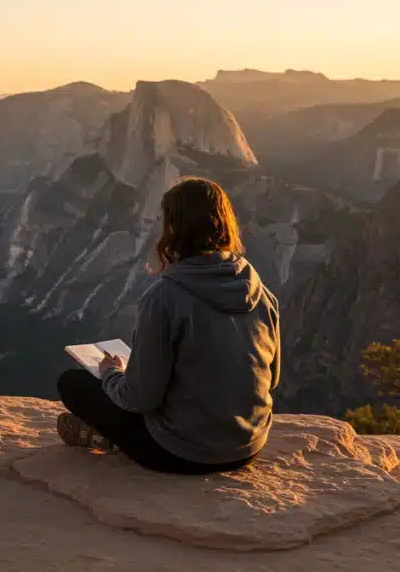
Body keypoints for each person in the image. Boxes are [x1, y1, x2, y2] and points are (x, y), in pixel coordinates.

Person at [56, 177, 280, 474]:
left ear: (172, 229)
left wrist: (111, 374)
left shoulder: (165, 296)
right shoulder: (261, 293)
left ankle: (109, 439)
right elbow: (272, 378)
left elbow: (139, 399)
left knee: (73, 384)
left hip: (181, 453)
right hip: (249, 446)